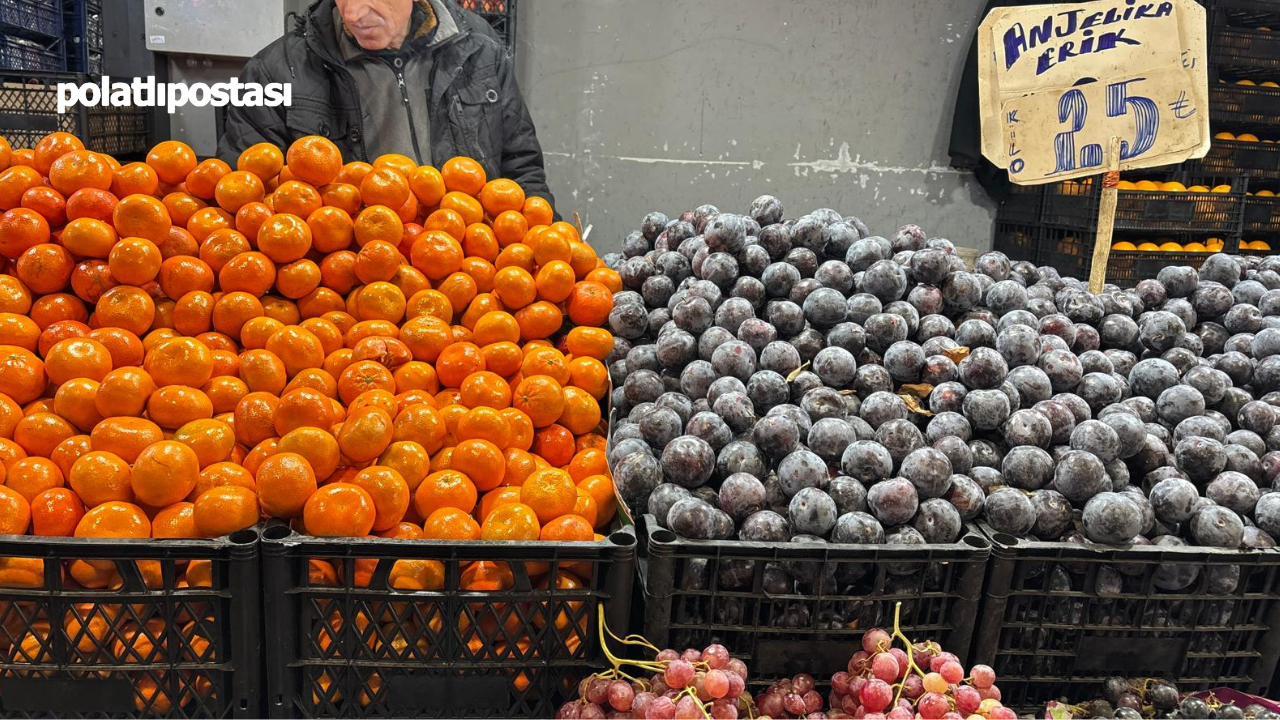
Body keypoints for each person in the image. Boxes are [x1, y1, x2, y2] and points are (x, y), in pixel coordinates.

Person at [217, 0, 555, 205]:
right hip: (345, 288)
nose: (353, 13)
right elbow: (244, 197)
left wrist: (545, 248)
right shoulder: (274, 71)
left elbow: (521, 168)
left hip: (471, 276)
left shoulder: (479, 49)